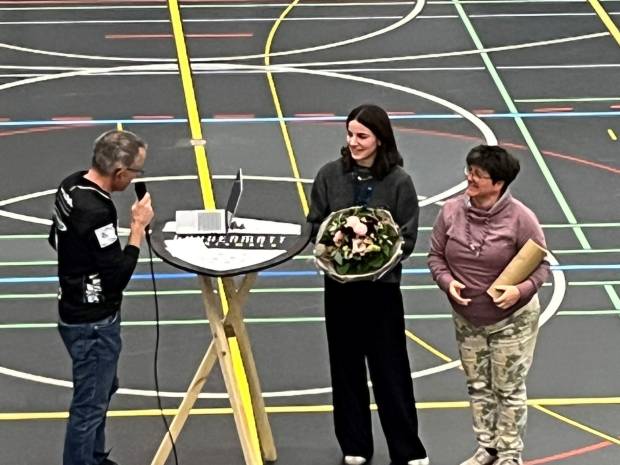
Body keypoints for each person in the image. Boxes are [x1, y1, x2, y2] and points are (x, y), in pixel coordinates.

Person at [307, 104, 429, 465]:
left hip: (381, 291)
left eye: (362, 136)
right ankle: (355, 444)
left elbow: (407, 237)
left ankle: (407, 449)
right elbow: (315, 223)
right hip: (340, 290)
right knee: (345, 367)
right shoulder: (329, 175)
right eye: (350, 134)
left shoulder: (399, 182)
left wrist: (376, 255)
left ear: (380, 139)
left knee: (390, 369)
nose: (354, 142)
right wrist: (334, 249)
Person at [427, 145, 549, 465]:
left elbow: (541, 266)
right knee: (478, 385)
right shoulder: (450, 212)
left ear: (498, 183)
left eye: (478, 175)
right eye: (469, 171)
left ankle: (509, 455)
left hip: (513, 321)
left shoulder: (522, 218)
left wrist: (519, 291)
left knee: (508, 389)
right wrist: (446, 282)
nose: (469, 178)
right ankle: (488, 448)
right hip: (468, 320)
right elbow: (435, 256)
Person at [49, 130, 154, 465]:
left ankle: (94, 457)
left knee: (102, 388)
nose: (136, 178)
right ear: (120, 173)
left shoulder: (70, 185)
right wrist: (137, 229)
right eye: (136, 171)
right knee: (90, 404)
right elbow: (116, 278)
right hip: (93, 322)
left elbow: (55, 238)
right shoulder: (97, 212)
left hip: (71, 306)